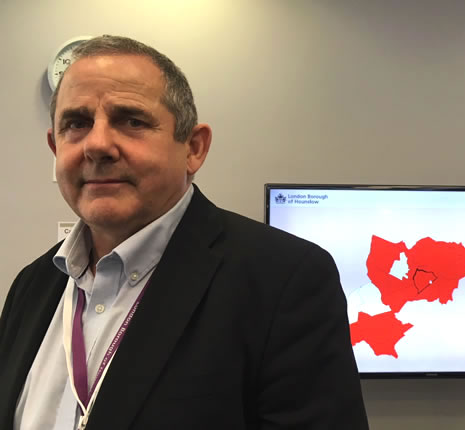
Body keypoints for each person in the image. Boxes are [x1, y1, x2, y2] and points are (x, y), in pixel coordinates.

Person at [0, 35, 369, 430]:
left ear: (194, 148)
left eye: (131, 120)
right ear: (56, 148)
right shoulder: (33, 284)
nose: (98, 145)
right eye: (77, 123)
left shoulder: (283, 280)